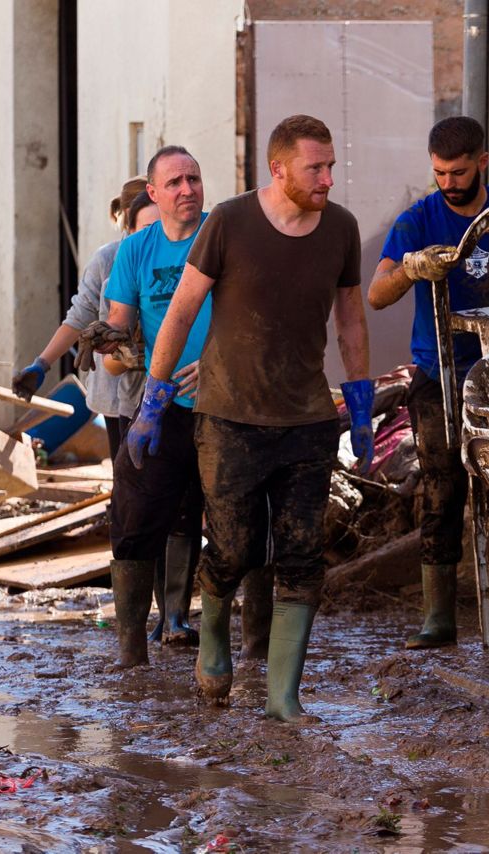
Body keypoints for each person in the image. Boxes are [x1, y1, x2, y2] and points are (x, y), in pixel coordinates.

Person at [144, 115, 372, 723]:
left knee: (301, 555)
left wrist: (362, 398)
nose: (328, 178)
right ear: (279, 169)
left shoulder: (342, 229)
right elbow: (183, 309)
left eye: (330, 166)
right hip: (229, 417)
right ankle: (213, 640)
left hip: (306, 420)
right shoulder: (230, 221)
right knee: (233, 548)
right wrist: (152, 398)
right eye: (314, 168)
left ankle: (282, 696)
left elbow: (350, 319)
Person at [369, 116, 489, 650]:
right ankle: (438, 616)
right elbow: (377, 293)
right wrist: (410, 268)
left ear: (482, 161)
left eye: (459, 172)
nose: (449, 183)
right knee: (441, 489)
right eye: (439, 173)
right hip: (438, 372)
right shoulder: (418, 218)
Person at [98, 146, 212, 665]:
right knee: (134, 517)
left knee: (244, 524)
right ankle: (130, 650)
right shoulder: (136, 251)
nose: (187, 189)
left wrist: (219, 359)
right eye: (175, 182)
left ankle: (248, 647)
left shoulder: (223, 234)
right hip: (158, 409)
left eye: (194, 178)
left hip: (227, 407)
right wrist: (112, 345)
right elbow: (120, 330)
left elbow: (255, 315)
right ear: (153, 193)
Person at [11, 176, 152, 460]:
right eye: (148, 226)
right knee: (127, 478)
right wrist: (42, 364)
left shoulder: (173, 256)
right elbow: (79, 316)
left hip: (160, 388)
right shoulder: (108, 260)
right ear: (129, 220)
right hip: (117, 395)